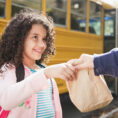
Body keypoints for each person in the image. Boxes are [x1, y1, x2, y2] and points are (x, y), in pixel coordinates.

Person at [0, 9, 76, 118]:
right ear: (19, 39)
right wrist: (45, 74)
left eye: (44, 39)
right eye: (35, 37)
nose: (42, 45)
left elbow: (57, 110)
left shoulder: (43, 70)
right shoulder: (10, 69)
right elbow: (6, 102)